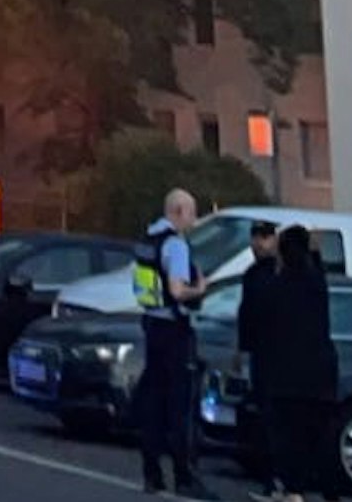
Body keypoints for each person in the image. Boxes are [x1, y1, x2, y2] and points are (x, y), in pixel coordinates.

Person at [132, 187, 215, 498]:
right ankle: (185, 475)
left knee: (153, 402)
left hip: (151, 324)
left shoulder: (148, 241)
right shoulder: (175, 245)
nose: (194, 219)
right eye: (192, 212)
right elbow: (178, 290)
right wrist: (201, 289)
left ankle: (151, 473)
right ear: (178, 212)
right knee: (181, 404)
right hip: (174, 330)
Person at [264, 224, 340, 502]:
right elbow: (317, 270)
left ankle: (293, 489)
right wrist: (316, 252)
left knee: (289, 437)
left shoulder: (276, 287)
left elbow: (267, 327)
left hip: (286, 376)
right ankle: (330, 491)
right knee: (321, 435)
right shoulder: (316, 284)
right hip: (319, 373)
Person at [238, 220, 283, 500]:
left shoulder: (277, 273)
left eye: (264, 237)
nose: (258, 244)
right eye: (256, 238)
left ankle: (277, 480)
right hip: (263, 356)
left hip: (276, 357)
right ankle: (271, 478)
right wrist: (243, 350)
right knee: (266, 418)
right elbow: (246, 316)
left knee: (274, 420)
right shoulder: (254, 274)